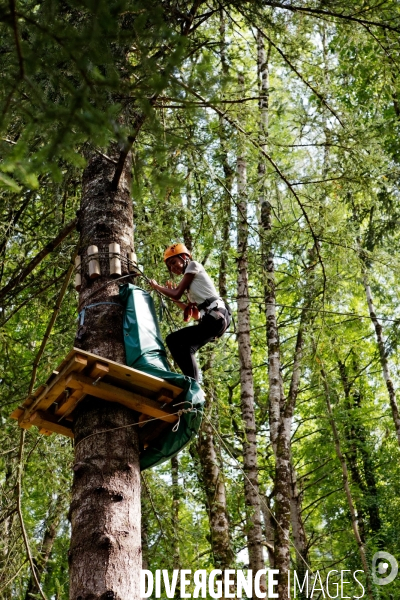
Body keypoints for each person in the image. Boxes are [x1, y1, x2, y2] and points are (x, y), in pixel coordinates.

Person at [149, 243, 231, 381]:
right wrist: (173, 296)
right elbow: (195, 315)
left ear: (184, 257)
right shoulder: (191, 290)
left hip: (216, 316)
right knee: (186, 347)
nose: (172, 267)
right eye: (169, 266)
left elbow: (176, 293)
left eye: (174, 262)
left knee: (173, 340)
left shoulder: (193, 265)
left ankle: (192, 384)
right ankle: (193, 384)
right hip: (214, 320)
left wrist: (157, 287)